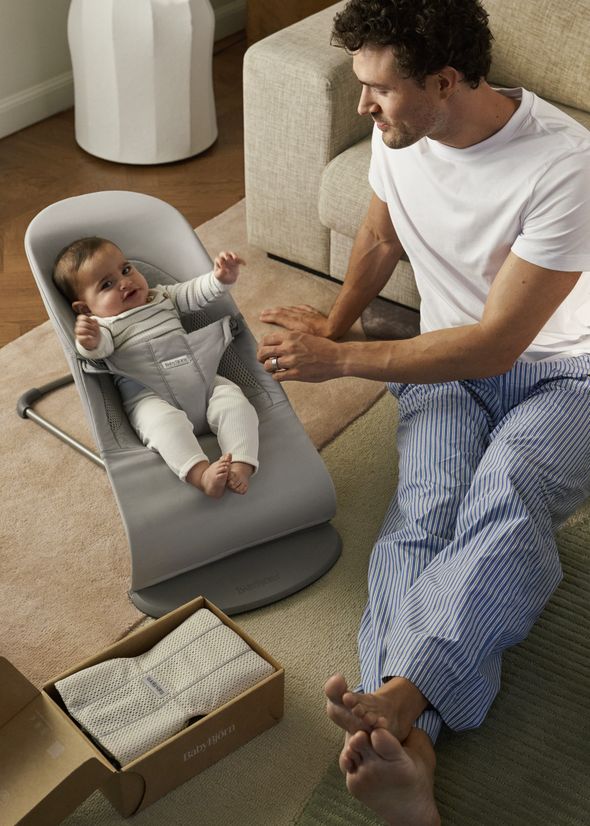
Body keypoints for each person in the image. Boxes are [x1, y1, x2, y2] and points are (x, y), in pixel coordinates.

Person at [256, 0, 590, 823]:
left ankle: (404, 699)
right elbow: (379, 238)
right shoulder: (401, 129)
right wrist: (331, 322)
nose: (362, 105)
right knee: (425, 510)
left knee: (507, 489)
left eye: (378, 89)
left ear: (446, 80)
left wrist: (341, 359)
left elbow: (494, 347)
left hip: (566, 376)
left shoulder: (564, 164)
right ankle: (409, 734)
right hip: (446, 371)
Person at [53, 238, 259, 498]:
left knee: (235, 402)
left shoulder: (163, 296)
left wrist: (220, 278)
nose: (125, 282)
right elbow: (99, 351)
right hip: (149, 395)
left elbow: (195, 292)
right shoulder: (104, 326)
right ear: (85, 308)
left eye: (126, 270)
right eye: (107, 284)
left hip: (202, 381)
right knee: (163, 425)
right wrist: (88, 340)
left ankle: (241, 463)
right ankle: (201, 474)